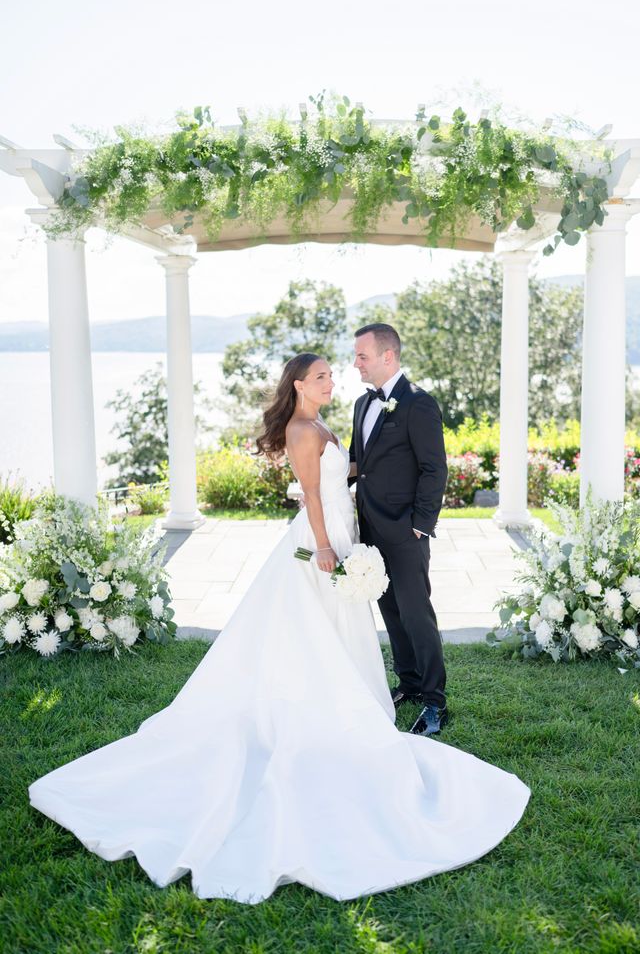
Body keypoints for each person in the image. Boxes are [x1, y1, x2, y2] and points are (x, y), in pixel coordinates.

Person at [29, 352, 529, 904]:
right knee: (311, 628)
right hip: (321, 538)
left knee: (333, 628)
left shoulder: (323, 423)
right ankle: (316, 706)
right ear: (298, 384)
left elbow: (350, 472)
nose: (334, 379)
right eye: (322, 376)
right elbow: (313, 492)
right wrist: (322, 546)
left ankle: (346, 695)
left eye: (335, 373)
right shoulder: (300, 429)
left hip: (343, 528)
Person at [350, 324, 448, 736]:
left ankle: (436, 702)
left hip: (407, 532)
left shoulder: (418, 404)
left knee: (415, 612)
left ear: (387, 356)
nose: (356, 363)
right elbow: (360, 464)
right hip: (370, 527)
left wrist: (420, 527)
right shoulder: (361, 403)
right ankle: (408, 683)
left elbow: (434, 469)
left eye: (362, 356)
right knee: (388, 610)